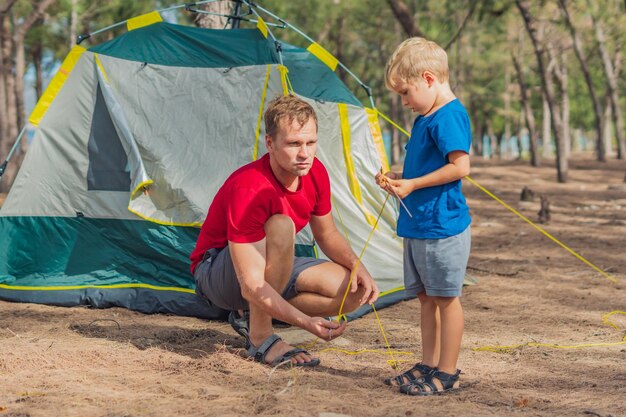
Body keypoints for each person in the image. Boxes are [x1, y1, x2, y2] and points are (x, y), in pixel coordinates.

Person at [191, 94, 379, 368]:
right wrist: (305, 323)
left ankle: (253, 315)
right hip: (218, 272)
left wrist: (356, 264)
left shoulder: (315, 173)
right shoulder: (251, 188)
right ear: (270, 143)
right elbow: (251, 284)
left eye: (310, 142)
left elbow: (326, 234)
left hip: (266, 267)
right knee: (281, 225)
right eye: (293, 144)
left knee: (353, 293)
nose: (305, 153)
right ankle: (260, 335)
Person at [375, 37, 471, 395]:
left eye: (405, 92)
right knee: (426, 298)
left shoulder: (448, 116)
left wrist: (414, 184)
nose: (404, 102)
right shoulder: (425, 116)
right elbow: (427, 168)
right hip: (418, 225)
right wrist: (401, 180)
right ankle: (428, 363)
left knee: (446, 298)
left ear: (428, 79)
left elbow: (460, 167)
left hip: (441, 227)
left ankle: (447, 372)